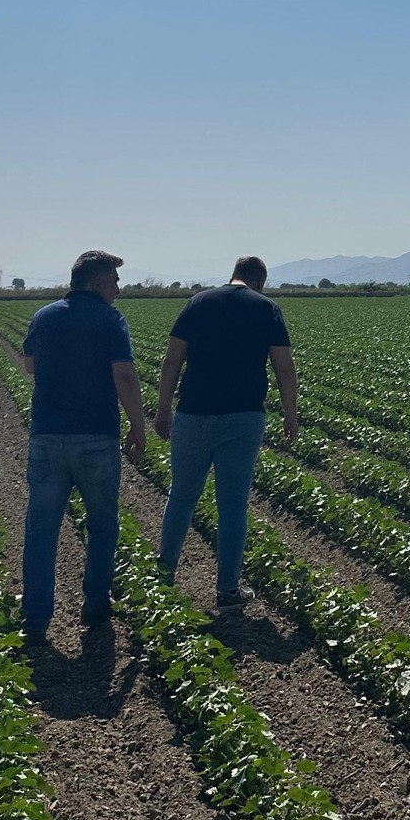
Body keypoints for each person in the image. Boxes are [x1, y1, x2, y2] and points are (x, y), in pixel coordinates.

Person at [154, 255, 298, 610]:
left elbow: (172, 361)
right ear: (259, 281)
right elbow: (284, 368)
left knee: (182, 496)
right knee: (232, 505)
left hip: (193, 414)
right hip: (243, 418)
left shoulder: (198, 302)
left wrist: (162, 410)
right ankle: (227, 590)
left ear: (233, 275)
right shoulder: (266, 308)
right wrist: (290, 415)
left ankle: (163, 575)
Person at [19, 249, 148, 643]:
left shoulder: (44, 317)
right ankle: (95, 604)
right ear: (96, 282)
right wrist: (137, 425)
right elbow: (124, 376)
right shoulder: (110, 320)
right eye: (115, 280)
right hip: (96, 438)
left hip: (46, 437)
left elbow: (29, 365)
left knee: (41, 530)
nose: (119, 288)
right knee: (102, 524)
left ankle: (35, 617)